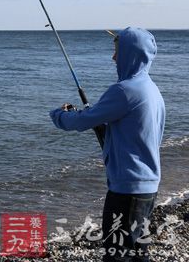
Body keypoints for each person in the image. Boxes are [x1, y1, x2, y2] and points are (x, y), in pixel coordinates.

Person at [49, 27, 165, 262]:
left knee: (118, 255)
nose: (114, 58)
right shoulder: (152, 90)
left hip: (127, 190)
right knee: (136, 252)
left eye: (117, 51)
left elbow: (81, 121)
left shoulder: (124, 90)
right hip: (146, 186)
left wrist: (58, 115)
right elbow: (135, 132)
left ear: (130, 54)